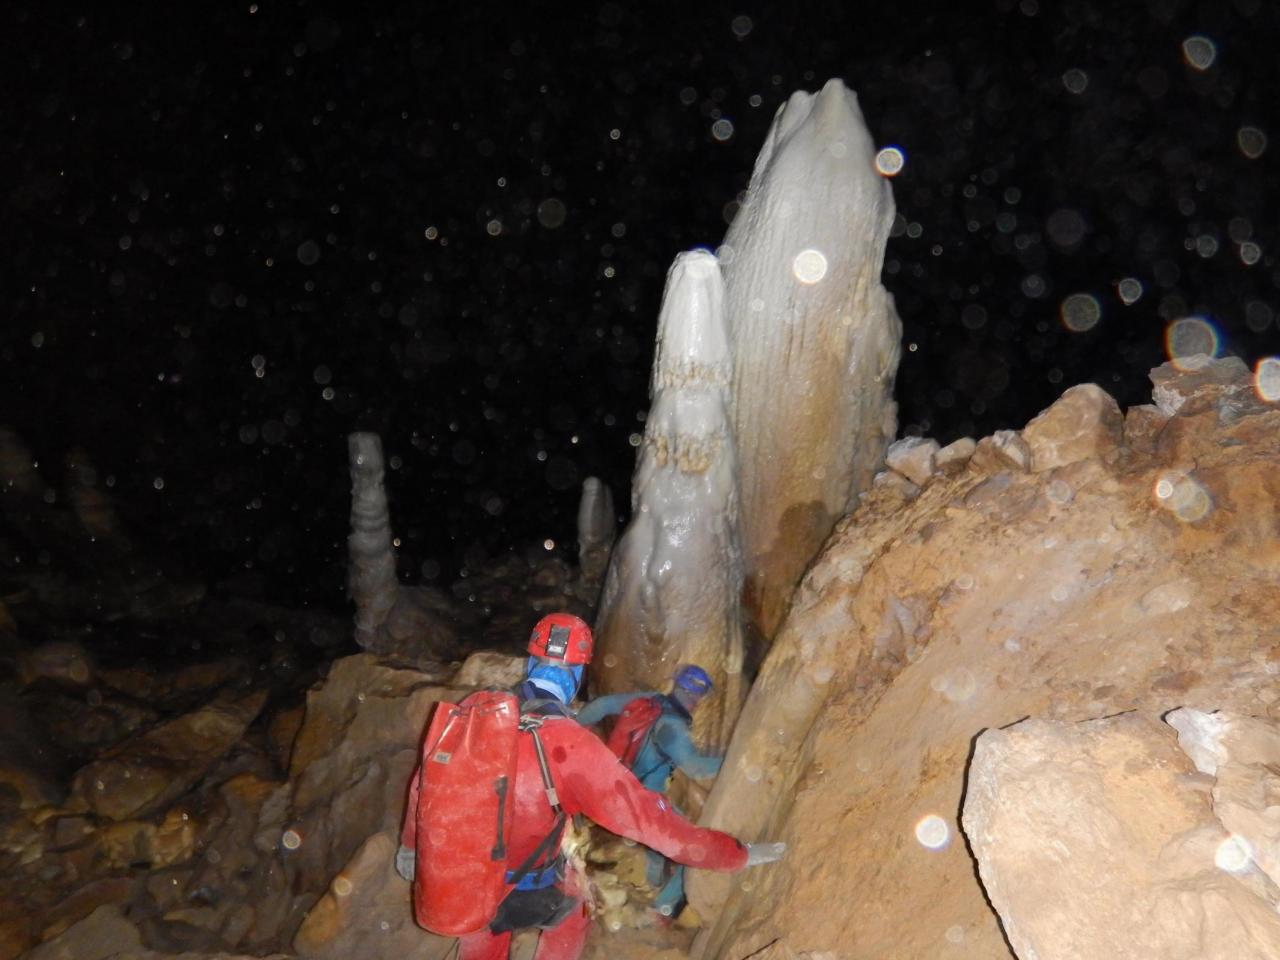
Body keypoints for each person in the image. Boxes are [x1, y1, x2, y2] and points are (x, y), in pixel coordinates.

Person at [397, 613, 783, 960]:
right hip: (525, 882)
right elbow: (658, 829)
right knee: (575, 906)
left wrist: (411, 846)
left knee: (482, 935)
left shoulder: (473, 710)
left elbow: (426, 784)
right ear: (579, 674)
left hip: (469, 876)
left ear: (530, 661)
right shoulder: (570, 746)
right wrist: (735, 854)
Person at [576, 663, 723, 920]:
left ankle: (653, 883)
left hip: (617, 790)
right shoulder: (672, 727)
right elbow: (697, 768)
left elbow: (600, 706)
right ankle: (661, 909)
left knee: (660, 841)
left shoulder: (648, 702)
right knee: (695, 849)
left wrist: (572, 728)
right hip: (643, 802)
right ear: (698, 697)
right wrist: (735, 759)